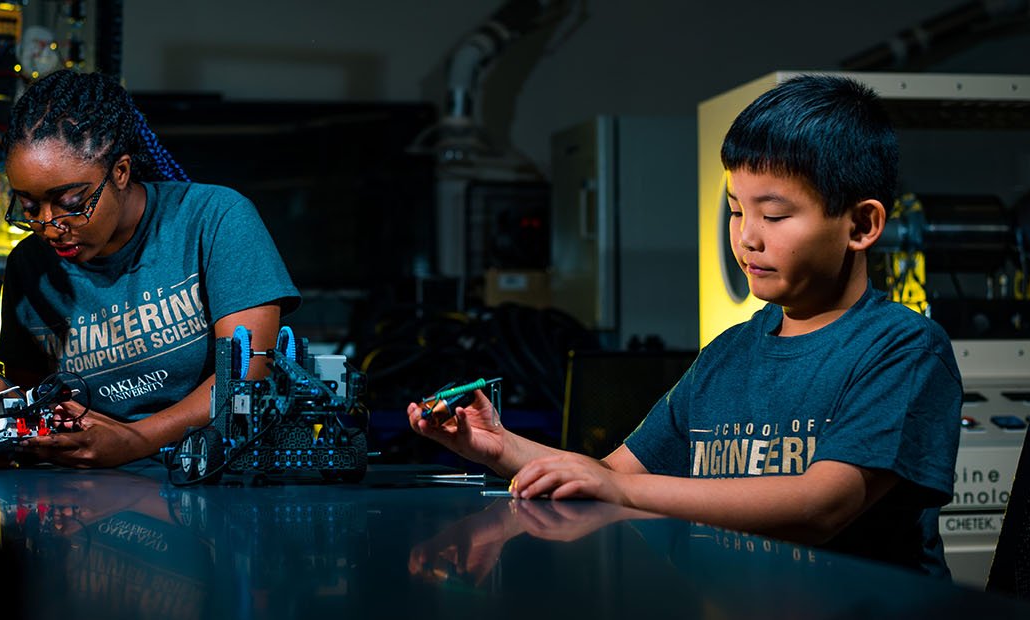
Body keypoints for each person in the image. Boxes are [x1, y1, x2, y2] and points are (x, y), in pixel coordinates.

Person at [408, 75, 962, 576]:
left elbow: (822, 507)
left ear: (862, 224)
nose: (746, 236)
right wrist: (500, 447)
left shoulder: (903, 349)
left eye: (773, 215)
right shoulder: (728, 354)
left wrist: (618, 489)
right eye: (736, 209)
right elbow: (607, 472)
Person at [0, 70, 299, 467]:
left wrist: (134, 441)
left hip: (211, 479)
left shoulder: (215, 219)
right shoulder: (28, 266)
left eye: (71, 202)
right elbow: (30, 392)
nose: (50, 226)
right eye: (30, 208)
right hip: (82, 498)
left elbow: (248, 377)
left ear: (120, 171)